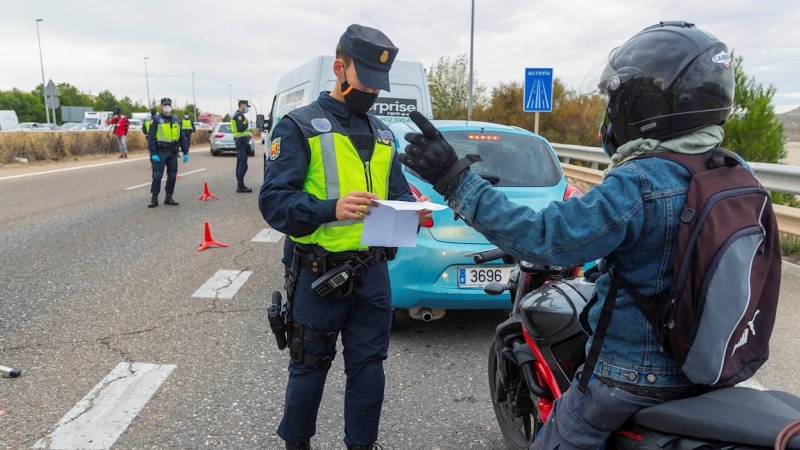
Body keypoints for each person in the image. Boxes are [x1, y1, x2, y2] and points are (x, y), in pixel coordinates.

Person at [398, 22, 738, 450]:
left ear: (644, 103)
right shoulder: (733, 172)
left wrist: (455, 180)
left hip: (634, 375)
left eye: (616, 100)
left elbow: (546, 236)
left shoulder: (640, 181)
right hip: (717, 365)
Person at [259, 24, 431, 450]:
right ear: (339, 68)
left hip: (372, 276)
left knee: (369, 368)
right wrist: (328, 209)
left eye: (378, 85)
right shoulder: (298, 127)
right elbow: (274, 202)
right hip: (319, 274)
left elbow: (396, 194)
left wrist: (414, 213)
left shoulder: (384, 133)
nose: (372, 91)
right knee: (309, 369)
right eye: (365, 81)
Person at [147, 98, 189, 208]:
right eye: (165, 105)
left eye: (169, 105)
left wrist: (185, 152)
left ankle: (168, 197)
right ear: (161, 106)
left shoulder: (176, 119)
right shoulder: (156, 119)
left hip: (173, 151)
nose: (167, 106)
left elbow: (182, 137)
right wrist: (153, 153)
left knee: (172, 175)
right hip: (160, 151)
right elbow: (151, 138)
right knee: (157, 175)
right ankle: (154, 198)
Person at [232, 100, 253, 193]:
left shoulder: (236, 115)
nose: (247, 108)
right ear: (242, 106)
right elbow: (240, 129)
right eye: (246, 106)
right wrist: (246, 123)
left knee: (240, 163)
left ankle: (240, 184)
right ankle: (240, 186)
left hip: (241, 141)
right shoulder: (239, 115)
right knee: (243, 164)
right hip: (241, 142)